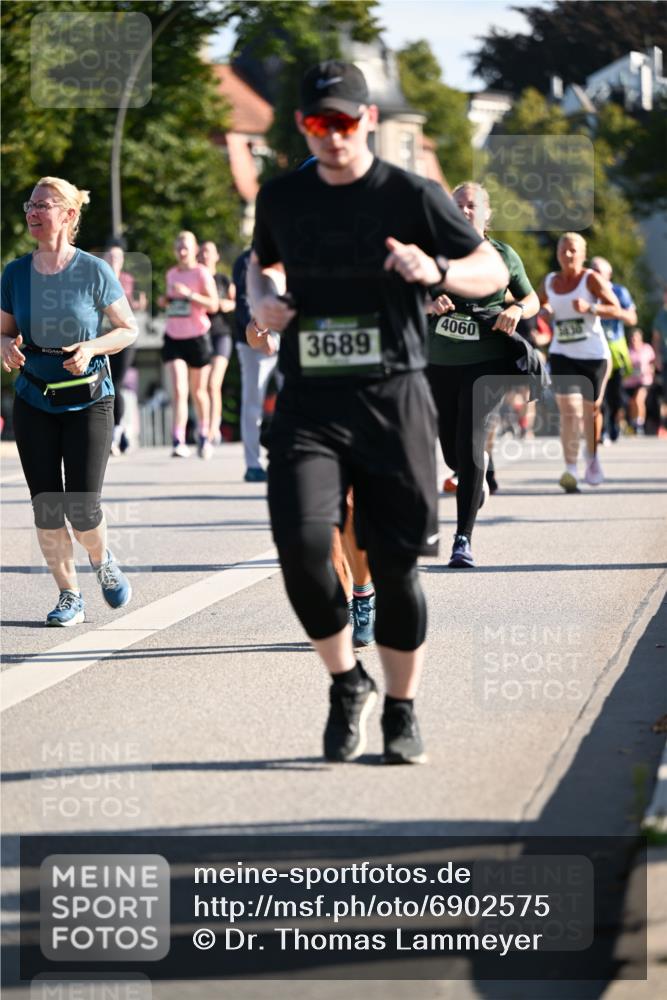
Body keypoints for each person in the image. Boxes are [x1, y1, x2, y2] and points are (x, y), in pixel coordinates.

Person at [246, 60, 508, 764]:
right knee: (302, 551)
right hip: (308, 400)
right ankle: (344, 681)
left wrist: (439, 272)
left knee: (396, 568)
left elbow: (493, 270)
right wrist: (261, 299)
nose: (332, 136)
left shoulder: (413, 196)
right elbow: (260, 263)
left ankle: (401, 708)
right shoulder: (281, 197)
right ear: (304, 124)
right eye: (317, 123)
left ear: (367, 122)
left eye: (345, 122)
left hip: (392, 398)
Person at [0, 176, 137, 625]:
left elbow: (127, 329)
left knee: (82, 508)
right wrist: (4, 345)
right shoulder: (15, 272)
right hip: (34, 397)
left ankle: (102, 560)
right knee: (46, 504)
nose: (33, 212)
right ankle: (69, 596)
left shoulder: (94, 270)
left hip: (89, 398)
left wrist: (93, 347)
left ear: (69, 214)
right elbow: (3, 330)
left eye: (44, 204)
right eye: (30, 205)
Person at [426, 182, 540, 568]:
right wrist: (427, 301)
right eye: (457, 205)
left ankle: (462, 539)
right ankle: (478, 469)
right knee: (451, 449)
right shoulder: (433, 253)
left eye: (471, 206)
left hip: (485, 362)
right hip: (438, 361)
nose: (463, 211)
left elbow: (532, 298)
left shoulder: (502, 256)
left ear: (486, 214)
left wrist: (517, 312)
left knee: (470, 439)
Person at [539, 234, 619, 492]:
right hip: (562, 353)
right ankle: (570, 469)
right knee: (569, 411)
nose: (568, 255)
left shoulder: (591, 279)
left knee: (590, 410)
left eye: (573, 250)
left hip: (594, 356)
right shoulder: (550, 281)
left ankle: (592, 457)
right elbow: (534, 304)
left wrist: (590, 307)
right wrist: (543, 310)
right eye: (563, 250)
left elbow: (615, 308)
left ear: (583, 254)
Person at [162, 231, 218, 459]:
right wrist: (167, 301)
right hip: (174, 336)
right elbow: (173, 302)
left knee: (198, 391)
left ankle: (204, 435)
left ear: (195, 250)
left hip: (197, 337)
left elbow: (213, 304)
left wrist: (190, 295)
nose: (182, 252)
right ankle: (178, 439)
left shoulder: (202, 273)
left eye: (186, 247)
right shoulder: (171, 274)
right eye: (178, 248)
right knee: (178, 389)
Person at [234, 248, 281, 482]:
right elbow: (243, 302)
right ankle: (253, 464)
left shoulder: (290, 251)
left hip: (289, 338)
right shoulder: (244, 262)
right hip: (253, 341)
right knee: (253, 404)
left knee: (295, 399)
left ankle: (288, 456)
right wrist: (262, 335)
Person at [104, 245, 147, 455]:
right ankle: (112, 432)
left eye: (117, 258)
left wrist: (139, 303)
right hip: (102, 339)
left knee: (116, 384)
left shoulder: (127, 281)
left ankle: (117, 431)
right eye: (110, 257)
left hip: (125, 339)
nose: (113, 261)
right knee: (105, 385)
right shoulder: (97, 278)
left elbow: (137, 303)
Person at [590, 256, 636, 443]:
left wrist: (610, 310)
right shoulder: (587, 292)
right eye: (592, 270)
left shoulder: (619, 291)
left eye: (599, 271)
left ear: (608, 274)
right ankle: (601, 431)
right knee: (597, 393)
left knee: (615, 396)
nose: (595, 274)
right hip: (593, 349)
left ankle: (614, 422)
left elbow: (632, 319)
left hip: (615, 350)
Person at [198, 241, 235, 446]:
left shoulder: (222, 279)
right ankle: (203, 426)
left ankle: (214, 428)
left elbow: (236, 302)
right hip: (199, 336)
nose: (204, 256)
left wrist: (222, 305)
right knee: (200, 387)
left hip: (221, 334)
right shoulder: (195, 279)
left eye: (208, 252)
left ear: (216, 256)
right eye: (201, 252)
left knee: (214, 384)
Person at [623, 328, 655, 433]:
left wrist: (648, 370)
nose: (634, 339)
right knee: (632, 403)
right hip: (630, 382)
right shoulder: (628, 350)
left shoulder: (647, 348)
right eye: (632, 337)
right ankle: (634, 423)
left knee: (638, 400)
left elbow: (653, 364)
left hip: (644, 380)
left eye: (636, 337)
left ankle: (640, 423)